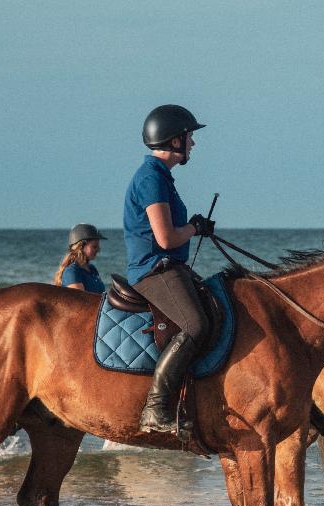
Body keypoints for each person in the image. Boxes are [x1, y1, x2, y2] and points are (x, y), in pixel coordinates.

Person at [123, 104, 215, 437]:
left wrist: (193, 228)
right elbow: (165, 237)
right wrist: (194, 228)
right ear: (174, 140)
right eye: (189, 137)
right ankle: (156, 408)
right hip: (153, 270)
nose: (193, 143)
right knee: (195, 324)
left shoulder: (161, 177)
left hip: (167, 267)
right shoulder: (151, 177)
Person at [54, 223, 107, 292]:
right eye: (94, 246)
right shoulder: (72, 271)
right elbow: (81, 301)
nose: (98, 250)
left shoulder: (92, 269)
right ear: (81, 246)